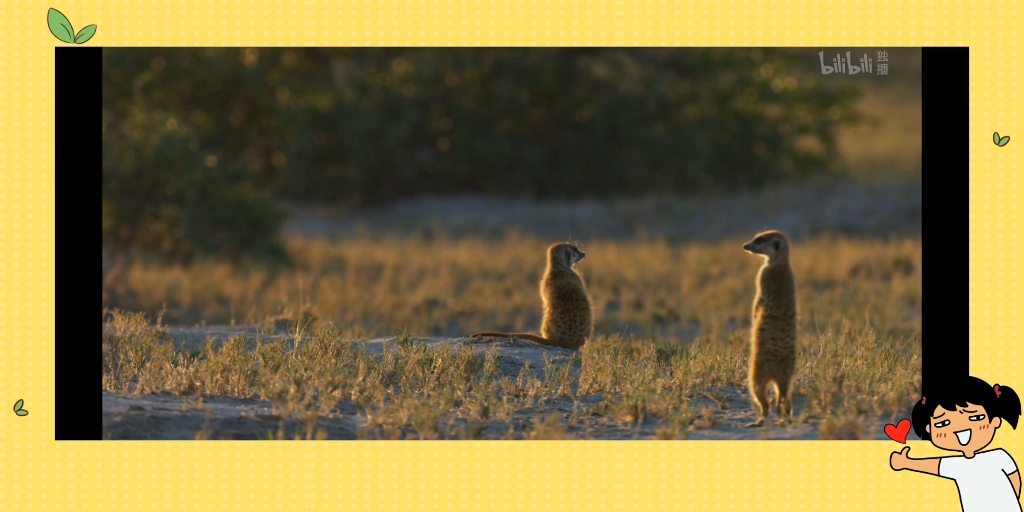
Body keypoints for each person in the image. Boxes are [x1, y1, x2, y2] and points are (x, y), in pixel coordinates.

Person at [890, 376, 1022, 512]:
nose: (961, 428)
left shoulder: (998, 456)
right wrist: (906, 463)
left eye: (975, 417)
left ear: (994, 421)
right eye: (943, 423)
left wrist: (1008, 501)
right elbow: (934, 465)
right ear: (929, 428)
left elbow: (1015, 480)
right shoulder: (957, 465)